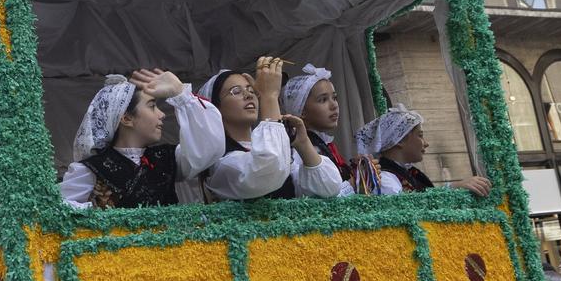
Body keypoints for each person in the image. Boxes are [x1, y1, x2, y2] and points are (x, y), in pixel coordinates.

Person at [59, 69, 223, 208]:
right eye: (152, 106)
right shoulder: (92, 169)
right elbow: (58, 210)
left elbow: (209, 149)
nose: (162, 114)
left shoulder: (169, 158)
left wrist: (181, 93)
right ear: (126, 118)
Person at [197, 60, 344, 200]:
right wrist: (269, 96)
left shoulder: (276, 153)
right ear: (215, 108)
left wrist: (304, 144)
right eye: (235, 91)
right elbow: (268, 167)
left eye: (250, 90)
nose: (248, 95)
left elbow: (330, 189)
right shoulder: (224, 165)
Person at [284, 65, 384, 194]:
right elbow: (314, 200)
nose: (334, 105)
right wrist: (354, 184)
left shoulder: (322, 143)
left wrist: (360, 172)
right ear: (301, 110)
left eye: (335, 98)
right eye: (323, 100)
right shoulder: (299, 149)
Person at [357, 103, 490, 197]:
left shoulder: (409, 173)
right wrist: (454, 188)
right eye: (420, 136)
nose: (426, 143)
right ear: (400, 140)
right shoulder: (385, 179)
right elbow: (415, 208)